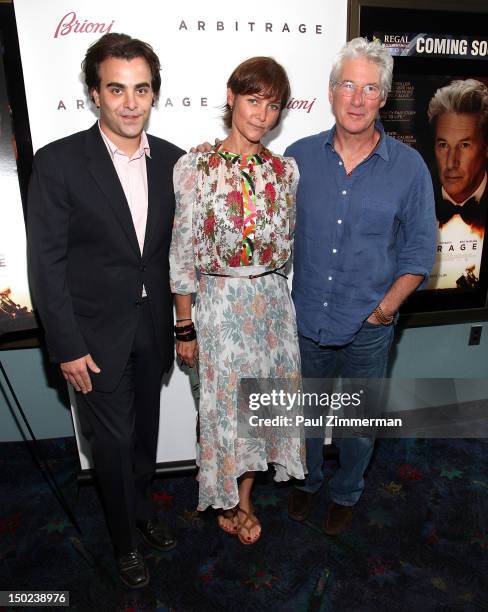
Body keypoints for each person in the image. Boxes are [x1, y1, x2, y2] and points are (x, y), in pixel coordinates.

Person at [27, 33, 184, 588]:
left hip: (151, 331)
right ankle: (123, 543)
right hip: (92, 339)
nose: (130, 102)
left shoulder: (173, 161)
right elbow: (46, 265)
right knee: (113, 447)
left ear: (153, 93)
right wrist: (66, 345)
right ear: (95, 93)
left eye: (141, 89)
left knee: (144, 438)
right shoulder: (59, 163)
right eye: (117, 89)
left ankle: (141, 512)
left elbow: (171, 254)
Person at [286, 37, 437, 534]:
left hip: (370, 327)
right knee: (306, 417)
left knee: (357, 425)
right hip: (307, 319)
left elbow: (419, 252)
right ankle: (306, 483)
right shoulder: (297, 157)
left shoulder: (409, 168)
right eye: (347, 85)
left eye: (369, 88)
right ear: (330, 92)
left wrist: (385, 310)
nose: (356, 98)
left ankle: (347, 492)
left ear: (382, 98)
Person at [169, 56, 306, 545]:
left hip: (270, 304)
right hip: (217, 303)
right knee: (224, 409)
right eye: (253, 101)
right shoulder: (196, 167)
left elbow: (285, 246)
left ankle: (244, 499)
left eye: (272, 106)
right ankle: (224, 497)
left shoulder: (284, 171)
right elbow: (183, 249)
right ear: (231, 97)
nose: (262, 115)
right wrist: (184, 326)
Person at [428, 79, 488, 235]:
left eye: (464, 145)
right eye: (443, 145)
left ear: (485, 148)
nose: (451, 163)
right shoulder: (415, 201)